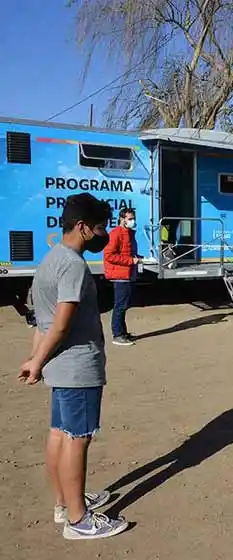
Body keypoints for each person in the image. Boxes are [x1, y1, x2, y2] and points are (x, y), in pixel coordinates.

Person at [20, 193, 129, 540]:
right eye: (100, 228)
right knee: (77, 439)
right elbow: (61, 324)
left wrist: (35, 359)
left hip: (58, 367)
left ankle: (64, 503)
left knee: (59, 433)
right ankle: (79, 520)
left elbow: (42, 322)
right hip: (77, 367)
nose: (104, 234)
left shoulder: (49, 260)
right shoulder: (73, 266)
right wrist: (37, 362)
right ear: (82, 228)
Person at [104, 208, 141, 346]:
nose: (132, 221)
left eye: (133, 218)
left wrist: (137, 258)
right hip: (121, 275)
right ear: (122, 219)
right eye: (130, 218)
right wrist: (131, 261)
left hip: (128, 273)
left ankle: (123, 332)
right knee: (120, 305)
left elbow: (127, 252)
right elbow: (109, 255)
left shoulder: (129, 233)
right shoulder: (116, 234)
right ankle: (117, 335)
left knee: (124, 305)